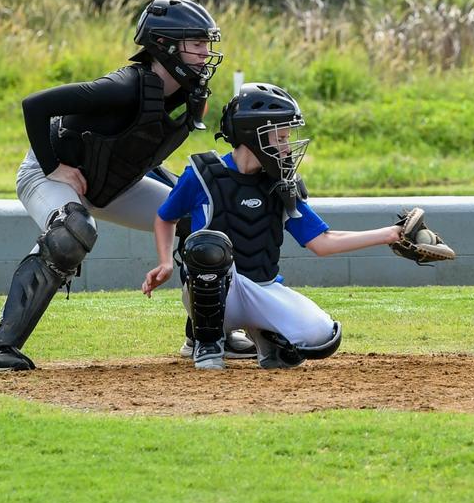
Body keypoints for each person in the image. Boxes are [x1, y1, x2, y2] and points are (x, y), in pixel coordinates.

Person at [0, 0, 236, 371]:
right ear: (164, 46)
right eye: (196, 44)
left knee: (204, 221)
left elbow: (141, 151)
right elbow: (35, 105)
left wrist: (183, 198)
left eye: (205, 44)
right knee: (73, 231)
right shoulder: (123, 86)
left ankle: (207, 334)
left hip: (114, 184)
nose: (204, 54)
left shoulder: (188, 96)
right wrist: (53, 168)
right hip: (53, 174)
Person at [140, 83, 454, 369]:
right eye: (281, 137)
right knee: (209, 247)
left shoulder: (280, 184)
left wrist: (390, 234)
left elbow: (322, 241)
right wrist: (166, 262)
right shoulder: (203, 173)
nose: (288, 146)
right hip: (213, 290)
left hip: (261, 288)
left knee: (321, 337)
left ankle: (264, 336)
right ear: (253, 134)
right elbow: (165, 216)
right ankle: (204, 341)